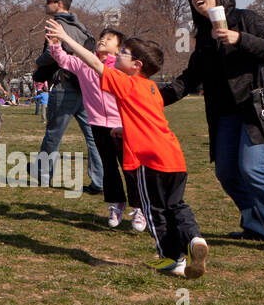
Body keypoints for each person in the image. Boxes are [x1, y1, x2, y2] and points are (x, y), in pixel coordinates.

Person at [45, 22, 208, 278]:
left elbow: (94, 63)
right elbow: (148, 118)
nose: (116, 56)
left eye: (123, 54)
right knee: (176, 205)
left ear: (137, 65)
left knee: (154, 209)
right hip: (173, 156)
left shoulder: (127, 83)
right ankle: (195, 239)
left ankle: (171, 258)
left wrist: (66, 37)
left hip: (148, 158)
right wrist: (125, 129)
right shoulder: (153, 88)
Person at [159, 0, 264, 255]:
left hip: (255, 111)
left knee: (253, 169)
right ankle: (256, 226)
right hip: (224, 115)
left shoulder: (245, 19)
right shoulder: (203, 36)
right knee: (226, 172)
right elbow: (189, 79)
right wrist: (154, 99)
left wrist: (239, 38)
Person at [47, 27, 146, 231]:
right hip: (97, 123)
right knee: (108, 167)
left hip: (122, 124)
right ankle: (116, 204)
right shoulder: (85, 62)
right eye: (102, 37)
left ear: (118, 49)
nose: (102, 41)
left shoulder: (120, 67)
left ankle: (139, 208)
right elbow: (64, 60)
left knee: (129, 167)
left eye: (109, 39)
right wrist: (55, 43)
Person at [31, 0, 103, 193]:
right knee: (93, 136)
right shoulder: (82, 27)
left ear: (59, 5)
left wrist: (37, 64)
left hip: (64, 85)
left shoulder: (57, 24)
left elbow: (50, 53)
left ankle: (43, 175)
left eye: (49, 1)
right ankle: (99, 180)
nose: (46, 4)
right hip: (85, 86)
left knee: (53, 134)